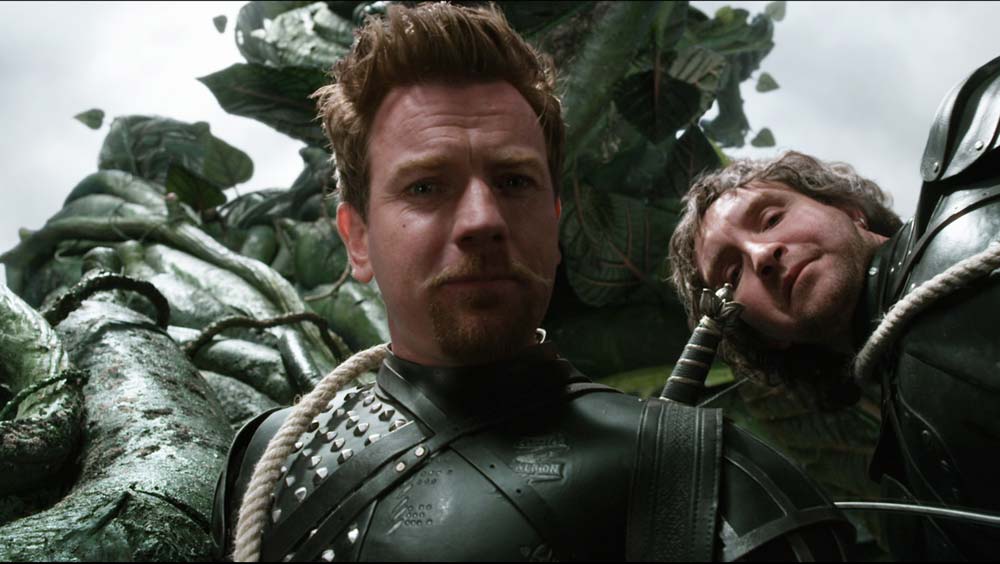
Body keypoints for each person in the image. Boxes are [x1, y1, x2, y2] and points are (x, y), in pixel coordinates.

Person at [211, 3, 853, 561]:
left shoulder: (718, 485)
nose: (483, 220)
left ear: (555, 220)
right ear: (356, 238)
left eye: (514, 181)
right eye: (426, 187)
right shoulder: (265, 465)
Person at [668, 56, 1000, 561]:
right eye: (732, 276)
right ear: (765, 334)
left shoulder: (977, 137)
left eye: (771, 218)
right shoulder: (916, 506)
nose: (762, 256)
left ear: (848, 208)